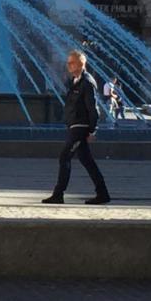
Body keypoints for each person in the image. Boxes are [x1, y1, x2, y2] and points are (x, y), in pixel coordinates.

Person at [44, 49, 111, 205]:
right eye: (68, 62)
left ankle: (58, 194)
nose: (68, 65)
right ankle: (103, 193)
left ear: (81, 64)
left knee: (64, 156)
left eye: (71, 63)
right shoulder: (76, 81)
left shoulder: (86, 82)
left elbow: (93, 108)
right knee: (87, 161)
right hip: (74, 126)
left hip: (80, 127)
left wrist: (93, 130)